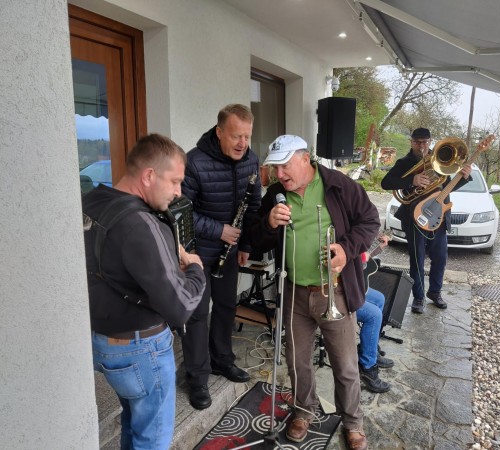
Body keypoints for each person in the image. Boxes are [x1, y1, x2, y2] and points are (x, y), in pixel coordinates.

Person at [249, 135, 380, 450]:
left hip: (333, 291)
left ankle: (353, 423)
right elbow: (255, 240)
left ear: (305, 158)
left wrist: (346, 249)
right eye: (275, 168)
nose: (279, 174)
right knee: (297, 361)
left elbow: (370, 221)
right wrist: (268, 223)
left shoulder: (338, 185)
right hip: (293, 291)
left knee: (344, 365)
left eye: (285, 166)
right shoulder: (276, 194)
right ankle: (303, 412)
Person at [82, 133, 206, 450]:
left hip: (102, 341)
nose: (178, 192)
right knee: (151, 439)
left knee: (133, 423)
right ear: (149, 175)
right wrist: (195, 268)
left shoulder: (92, 202)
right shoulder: (142, 224)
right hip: (141, 350)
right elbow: (181, 306)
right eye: (175, 181)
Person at [181, 104, 261, 410]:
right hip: (197, 251)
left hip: (230, 250)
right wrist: (219, 230)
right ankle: (197, 378)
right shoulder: (194, 162)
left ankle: (222, 360)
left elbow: (253, 206)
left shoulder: (251, 160)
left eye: (247, 136)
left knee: (227, 305)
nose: (243, 143)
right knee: (197, 313)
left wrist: (246, 244)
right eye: (236, 136)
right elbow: (181, 212)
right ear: (219, 132)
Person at [381, 128, 471, 314]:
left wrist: (464, 176)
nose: (421, 146)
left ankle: (435, 292)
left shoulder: (441, 158)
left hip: (438, 215)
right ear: (411, 142)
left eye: (425, 142)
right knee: (417, 259)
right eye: (417, 142)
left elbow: (447, 187)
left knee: (440, 258)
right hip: (414, 217)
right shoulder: (404, 163)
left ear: (430, 142)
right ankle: (419, 297)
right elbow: (386, 183)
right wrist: (412, 180)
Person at [356, 236, 395, 393]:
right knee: (374, 315)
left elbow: (362, 260)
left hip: (353, 286)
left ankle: (369, 350)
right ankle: (367, 367)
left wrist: (378, 249)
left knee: (379, 298)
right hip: (341, 291)